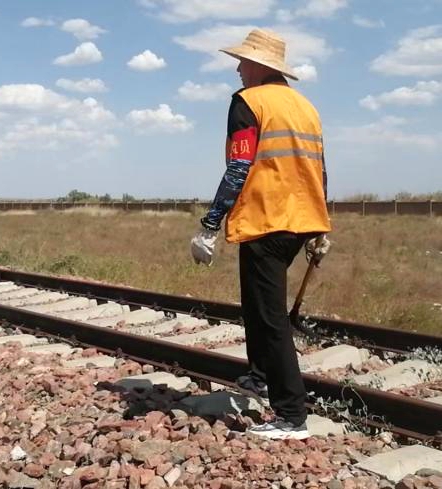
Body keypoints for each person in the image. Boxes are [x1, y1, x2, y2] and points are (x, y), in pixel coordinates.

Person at [190, 29, 331, 440]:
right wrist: (321, 224)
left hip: (267, 218)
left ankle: (291, 415)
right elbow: (319, 169)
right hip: (302, 219)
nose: (237, 68)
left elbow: (239, 166)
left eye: (242, 61)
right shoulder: (306, 107)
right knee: (256, 304)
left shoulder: (248, 102)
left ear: (258, 65)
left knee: (270, 318)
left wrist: (210, 224)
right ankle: (259, 376)